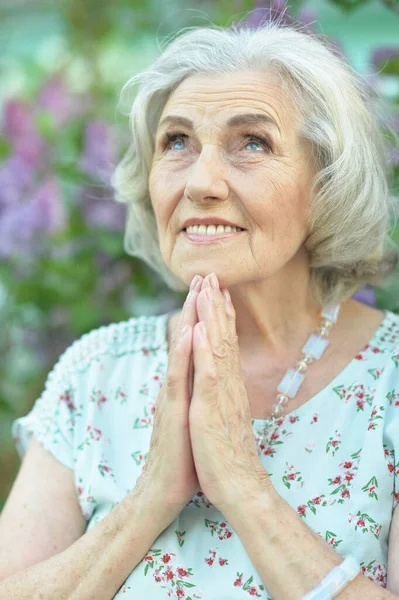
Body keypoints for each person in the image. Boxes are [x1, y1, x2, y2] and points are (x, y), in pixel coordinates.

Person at [1, 17, 399, 600]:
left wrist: (242, 484)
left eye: (253, 142)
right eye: (177, 142)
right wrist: (151, 497)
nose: (201, 182)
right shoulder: (95, 375)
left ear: (327, 185)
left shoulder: (389, 381)